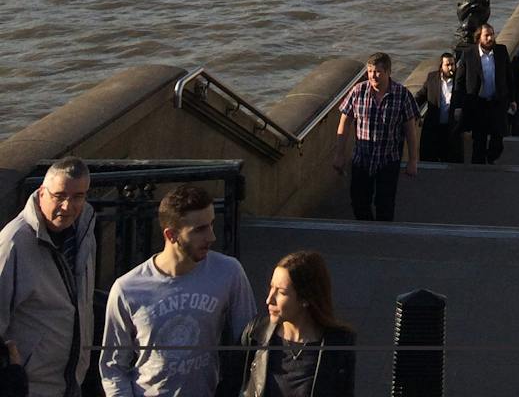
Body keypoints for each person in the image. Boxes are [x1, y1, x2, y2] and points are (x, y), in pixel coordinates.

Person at [100, 183, 256, 397]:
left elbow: (250, 345)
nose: (211, 237)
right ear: (171, 235)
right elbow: (113, 366)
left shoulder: (229, 272)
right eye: (200, 229)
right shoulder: (128, 289)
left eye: (211, 224)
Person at [0, 158, 95, 397]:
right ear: (42, 192)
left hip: (70, 381)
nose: (67, 206)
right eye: (59, 196)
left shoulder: (84, 232)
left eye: (78, 197)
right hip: (29, 386)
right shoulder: (13, 244)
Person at [239, 251, 353, 397]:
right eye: (271, 288)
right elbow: (231, 384)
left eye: (281, 292)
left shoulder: (339, 345)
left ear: (305, 298)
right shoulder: (256, 333)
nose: (269, 299)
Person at [333, 53, 419, 221]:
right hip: (362, 159)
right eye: (370, 71)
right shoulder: (359, 91)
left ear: (388, 72)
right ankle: (365, 233)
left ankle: (381, 237)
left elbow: (410, 130)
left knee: (385, 205)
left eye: (378, 71)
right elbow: (345, 122)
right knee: (359, 202)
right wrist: (339, 154)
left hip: (388, 160)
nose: (373, 76)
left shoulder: (402, 95)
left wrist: (413, 160)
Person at [453, 22, 515, 165]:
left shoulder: (501, 51)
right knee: (479, 140)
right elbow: (459, 82)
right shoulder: (468, 54)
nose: (490, 38)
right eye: (487, 35)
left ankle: (491, 157)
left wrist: (512, 99)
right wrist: (458, 105)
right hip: (478, 105)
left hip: (497, 103)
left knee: (498, 139)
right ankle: (479, 170)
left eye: (492, 34)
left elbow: (509, 77)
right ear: (478, 38)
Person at [419, 54, 462, 164]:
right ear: (441, 66)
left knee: (451, 158)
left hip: (452, 126)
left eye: (452, 64)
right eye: (447, 65)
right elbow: (422, 96)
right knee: (430, 157)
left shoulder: (460, 79)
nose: (450, 67)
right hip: (434, 125)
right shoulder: (432, 78)